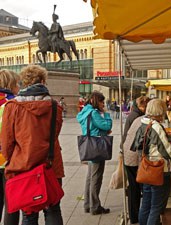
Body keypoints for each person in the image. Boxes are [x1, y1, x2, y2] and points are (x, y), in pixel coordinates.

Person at [1, 65, 64, 225]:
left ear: (25, 82)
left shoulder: (12, 107)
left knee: (29, 213)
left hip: (24, 166)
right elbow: (54, 134)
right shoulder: (55, 107)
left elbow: (7, 142)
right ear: (43, 81)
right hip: (51, 165)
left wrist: (13, 159)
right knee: (53, 209)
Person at [131, 99, 171, 225]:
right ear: (159, 111)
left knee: (146, 203)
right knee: (156, 207)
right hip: (159, 169)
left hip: (146, 169)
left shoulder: (143, 124)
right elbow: (167, 151)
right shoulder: (156, 127)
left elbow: (135, 146)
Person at [77, 91, 112, 215]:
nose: (103, 104)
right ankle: (95, 207)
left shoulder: (85, 111)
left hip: (89, 146)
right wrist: (106, 115)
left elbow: (92, 127)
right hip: (96, 147)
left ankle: (87, 204)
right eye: (102, 101)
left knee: (90, 178)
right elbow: (106, 125)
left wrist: (101, 130)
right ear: (97, 101)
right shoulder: (94, 113)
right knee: (96, 178)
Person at [121, 96, 149, 224]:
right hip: (133, 156)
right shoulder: (139, 118)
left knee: (133, 187)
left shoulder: (135, 115)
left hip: (128, 153)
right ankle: (135, 216)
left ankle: (134, 216)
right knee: (136, 188)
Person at [0, 69, 20, 225]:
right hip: (9, 160)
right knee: (12, 205)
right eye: (17, 83)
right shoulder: (14, 103)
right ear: (11, 84)